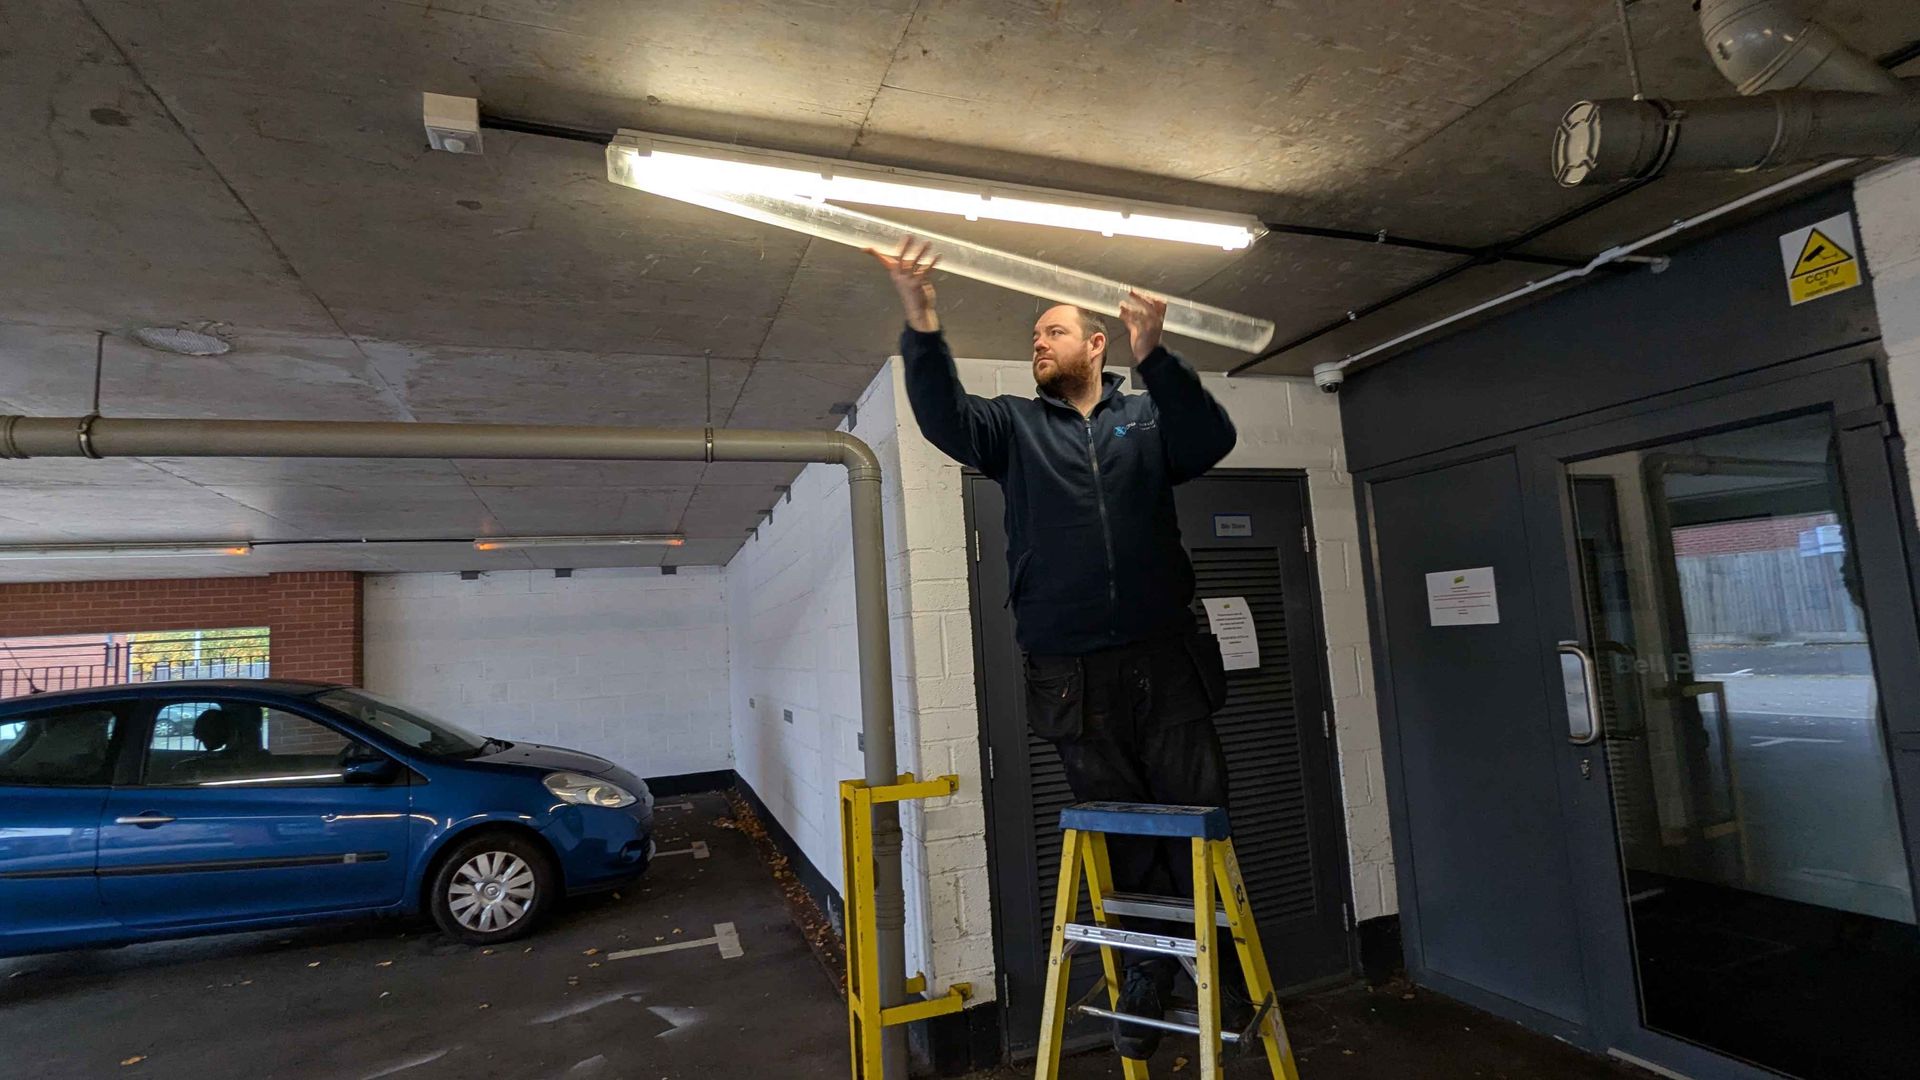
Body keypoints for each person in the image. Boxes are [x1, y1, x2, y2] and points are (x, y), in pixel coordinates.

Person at [868, 237, 1240, 1061]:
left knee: (1198, 812)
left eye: (1053, 333)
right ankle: (1145, 981)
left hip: (1165, 655)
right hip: (1071, 670)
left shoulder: (1144, 420)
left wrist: (1160, 357)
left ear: (1096, 345)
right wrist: (922, 321)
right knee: (1124, 830)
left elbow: (1210, 440)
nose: (1038, 344)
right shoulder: (1011, 428)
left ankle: (1228, 974)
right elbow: (942, 418)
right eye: (1034, 338)